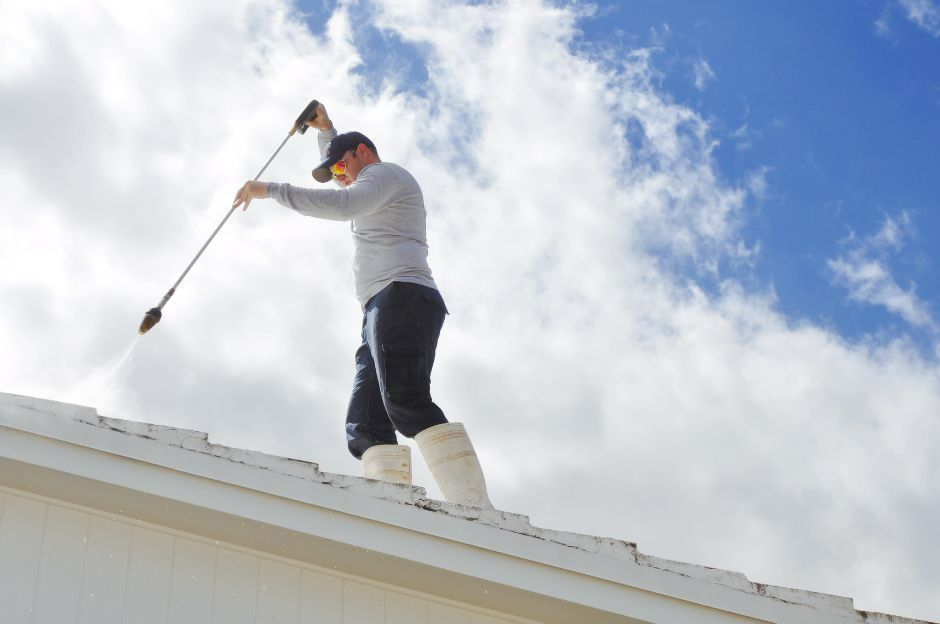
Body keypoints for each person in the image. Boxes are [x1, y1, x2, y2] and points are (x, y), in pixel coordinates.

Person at [232, 103, 493, 509]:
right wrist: (327, 130)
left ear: (364, 154)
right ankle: (393, 509)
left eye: (342, 168)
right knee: (366, 424)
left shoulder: (384, 175)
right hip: (379, 308)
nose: (340, 178)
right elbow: (344, 186)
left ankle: (475, 509)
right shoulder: (365, 179)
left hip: (402, 295)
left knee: (404, 399)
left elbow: (343, 205)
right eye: (335, 173)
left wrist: (270, 189)